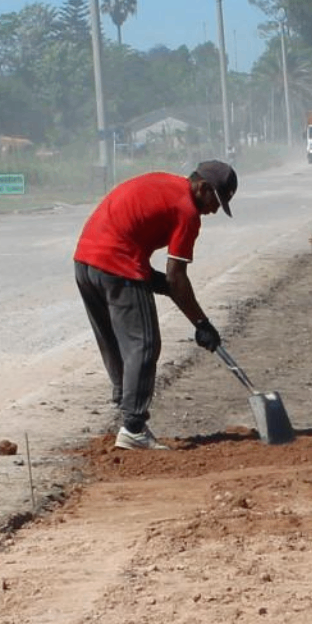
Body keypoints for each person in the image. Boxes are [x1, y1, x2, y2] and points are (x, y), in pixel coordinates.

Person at [72, 160, 239, 450]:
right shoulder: (187, 210)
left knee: (114, 340)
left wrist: (164, 286)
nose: (213, 210)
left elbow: (164, 275)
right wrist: (202, 324)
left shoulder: (165, 183)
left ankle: (126, 407)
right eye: (216, 201)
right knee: (144, 343)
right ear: (202, 187)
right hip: (117, 264)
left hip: (85, 262)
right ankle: (133, 427)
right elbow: (176, 277)